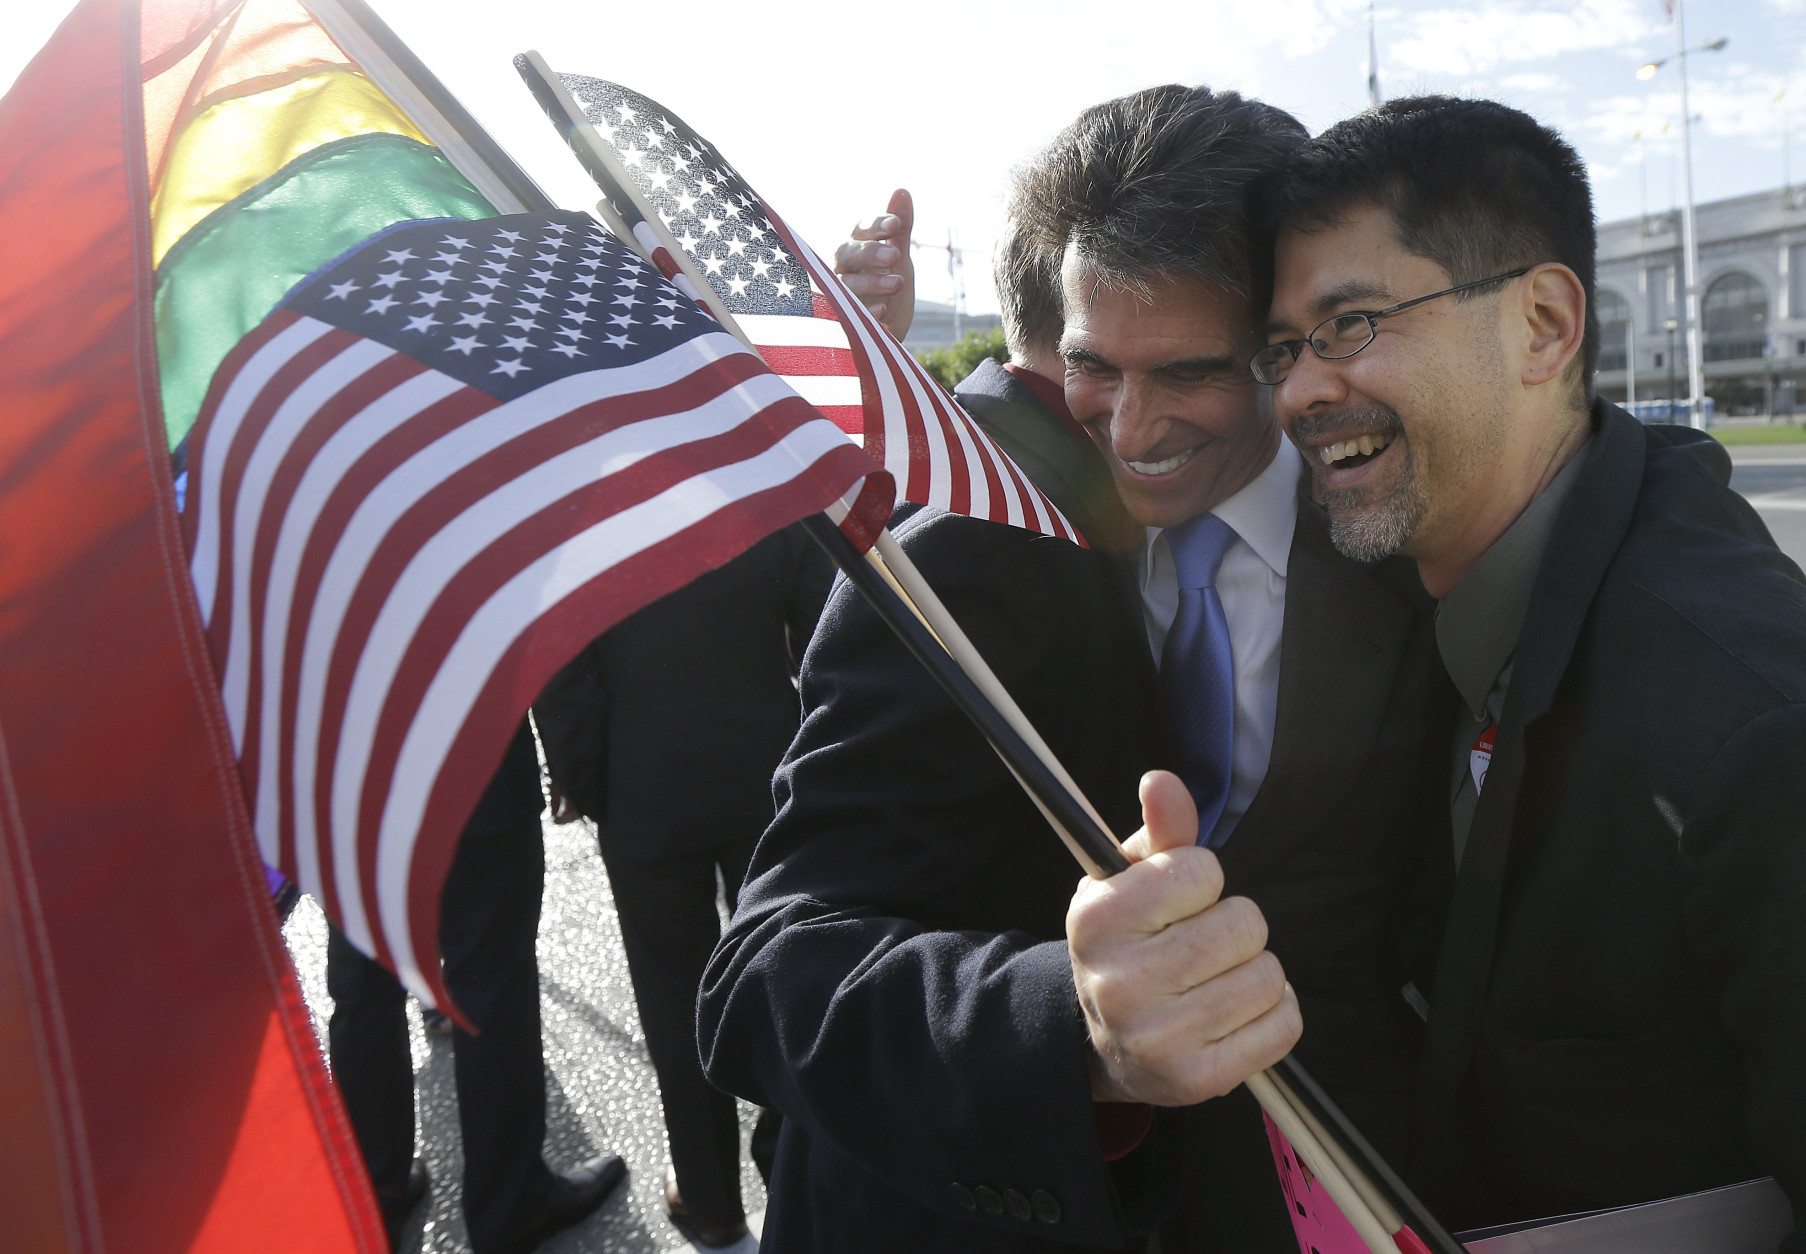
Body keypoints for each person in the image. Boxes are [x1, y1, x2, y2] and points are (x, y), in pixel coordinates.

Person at [699, 85, 1446, 1252]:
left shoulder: (1388, 522)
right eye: (1096, 368)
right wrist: (1077, 1033)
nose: (1131, 432)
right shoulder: (968, 554)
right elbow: (762, 976)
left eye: (1191, 372)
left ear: (1289, 343)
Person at [1258, 96, 1806, 1238]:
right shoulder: (1419, 596)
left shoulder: (1751, 721)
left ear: (1545, 325)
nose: (1299, 391)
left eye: (1350, 323)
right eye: (1284, 349)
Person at [536, 525, 834, 1248]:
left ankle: (709, 1195)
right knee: (787, 976)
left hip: (642, 785)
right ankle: (791, 1166)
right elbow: (826, 624)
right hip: (765, 768)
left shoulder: (574, 511)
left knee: (674, 999)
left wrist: (588, 784)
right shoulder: (750, 483)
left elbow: (560, 667)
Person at [325, 722, 625, 1253]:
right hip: (470, 768)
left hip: (349, 785)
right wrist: (570, 757)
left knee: (367, 993)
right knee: (491, 986)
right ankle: (510, 1204)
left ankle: (375, 1191)